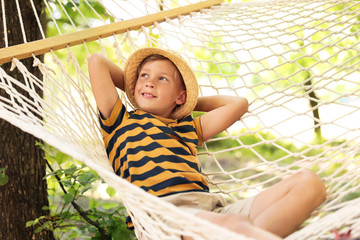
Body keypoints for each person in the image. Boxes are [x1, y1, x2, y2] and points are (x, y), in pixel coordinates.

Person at [88, 48, 326, 240]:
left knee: (309, 183)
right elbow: (97, 62)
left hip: (211, 212)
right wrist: (136, 86)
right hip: (166, 218)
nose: (150, 83)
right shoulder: (120, 121)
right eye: (144, 76)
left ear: (180, 97)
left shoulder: (188, 128)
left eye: (162, 79)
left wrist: (185, 103)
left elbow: (238, 104)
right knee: (233, 226)